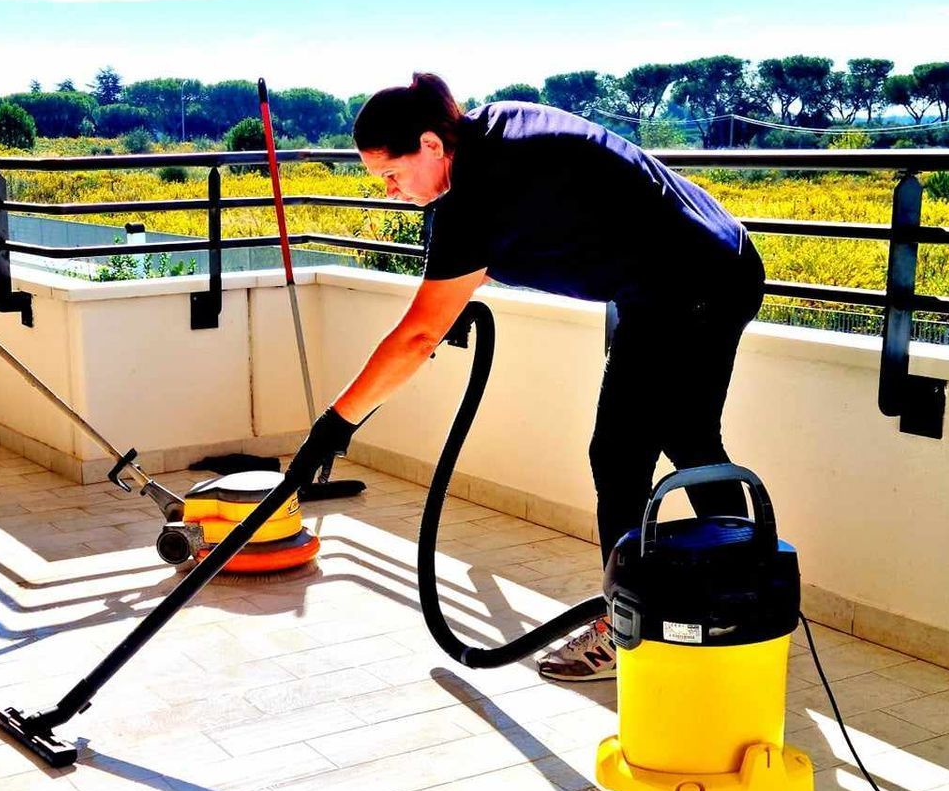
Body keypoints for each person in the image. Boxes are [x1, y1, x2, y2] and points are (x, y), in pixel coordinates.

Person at [287, 73, 767, 681]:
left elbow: (416, 335)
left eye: (392, 174)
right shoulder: (491, 131)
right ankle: (740, 602)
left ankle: (631, 630)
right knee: (688, 441)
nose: (390, 191)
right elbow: (539, 219)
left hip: (687, 287)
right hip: (713, 265)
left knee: (621, 454)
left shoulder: (477, 194)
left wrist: (332, 427)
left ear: (432, 146)